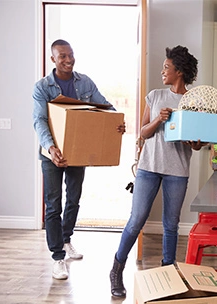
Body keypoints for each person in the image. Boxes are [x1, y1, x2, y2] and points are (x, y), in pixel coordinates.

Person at [109, 45, 203, 298]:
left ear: (179, 72)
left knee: (171, 225)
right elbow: (142, 132)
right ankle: (117, 269)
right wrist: (158, 120)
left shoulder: (195, 101)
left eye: (166, 68)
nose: (163, 71)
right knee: (136, 220)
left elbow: (197, 145)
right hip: (149, 168)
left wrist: (193, 141)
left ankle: (168, 275)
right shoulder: (155, 96)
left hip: (177, 171)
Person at [32, 39, 126, 280]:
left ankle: (66, 240)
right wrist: (51, 148)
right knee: (54, 204)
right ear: (53, 59)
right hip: (52, 153)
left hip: (77, 151)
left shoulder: (84, 82)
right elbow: (40, 120)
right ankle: (57, 258)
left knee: (73, 199)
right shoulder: (43, 87)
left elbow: (103, 106)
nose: (68, 60)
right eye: (62, 56)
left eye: (71, 55)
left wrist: (115, 122)